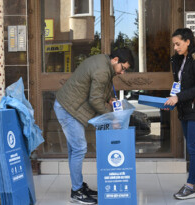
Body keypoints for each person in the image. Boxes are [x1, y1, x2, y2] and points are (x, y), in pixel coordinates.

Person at [53, 48, 134, 204]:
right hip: (68, 109)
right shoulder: (103, 70)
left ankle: (78, 186)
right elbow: (95, 100)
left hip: (69, 106)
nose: (123, 73)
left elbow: (99, 88)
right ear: (116, 59)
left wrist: (110, 99)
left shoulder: (103, 62)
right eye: (123, 68)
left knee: (74, 149)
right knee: (79, 148)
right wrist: (112, 117)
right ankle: (76, 192)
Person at [164, 28, 195, 200]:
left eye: (178, 44)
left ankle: (190, 186)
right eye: (174, 45)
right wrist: (172, 100)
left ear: (187, 42)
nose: (175, 47)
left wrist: (177, 97)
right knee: (191, 147)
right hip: (185, 110)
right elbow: (179, 84)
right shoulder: (179, 60)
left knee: (193, 148)